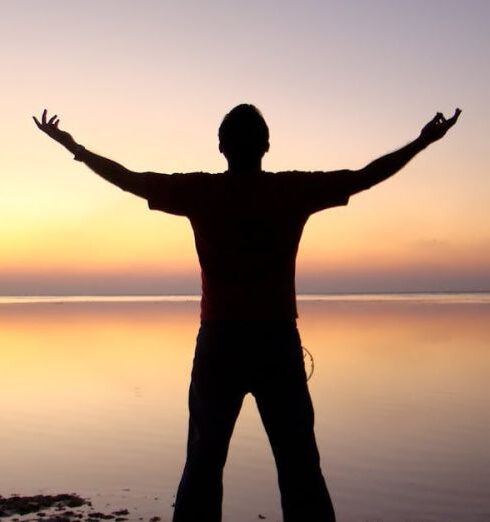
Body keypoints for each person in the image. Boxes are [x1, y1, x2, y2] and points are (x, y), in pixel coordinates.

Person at [34, 104, 461, 522]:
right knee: (298, 464)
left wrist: (75, 147)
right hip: (275, 343)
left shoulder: (203, 192)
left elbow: (130, 180)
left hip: (221, 344)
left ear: (221, 147)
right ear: (267, 145)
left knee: (204, 461)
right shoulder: (290, 191)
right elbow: (366, 177)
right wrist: (422, 142)